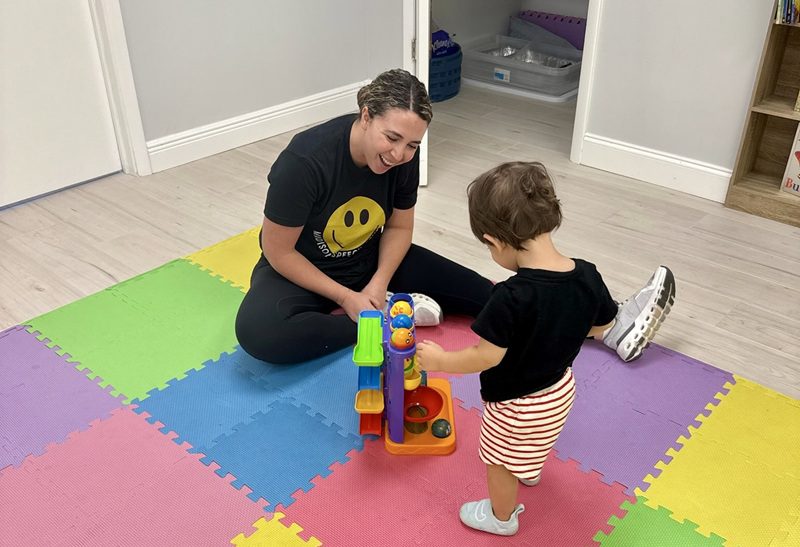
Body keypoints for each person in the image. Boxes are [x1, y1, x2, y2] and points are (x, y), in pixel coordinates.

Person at [415, 161, 675, 536]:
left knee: (497, 461)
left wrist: (440, 360)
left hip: (517, 403)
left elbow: (485, 356)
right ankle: (530, 467)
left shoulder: (510, 296)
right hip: (560, 391)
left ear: (494, 240)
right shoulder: (586, 273)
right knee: (535, 438)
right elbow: (599, 325)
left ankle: (501, 518)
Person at [235, 68, 494, 364]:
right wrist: (346, 297)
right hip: (303, 270)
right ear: (367, 116)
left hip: (369, 260)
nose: (399, 155)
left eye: (412, 145)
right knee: (259, 332)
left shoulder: (404, 157)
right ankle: (385, 320)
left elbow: (398, 227)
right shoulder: (305, 161)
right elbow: (278, 250)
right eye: (392, 138)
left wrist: (379, 283)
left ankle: (380, 306)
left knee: (484, 294)